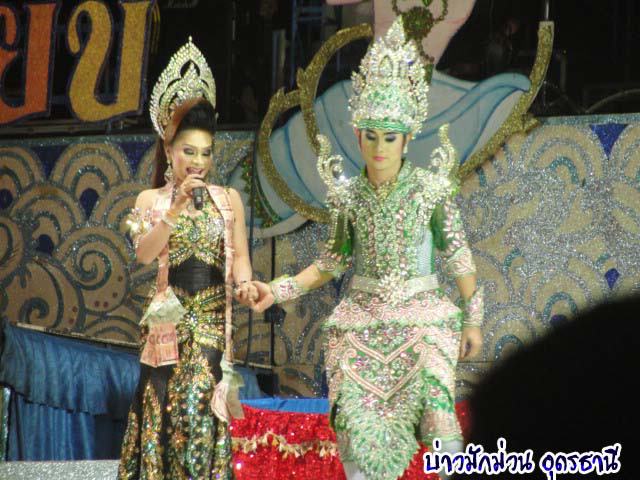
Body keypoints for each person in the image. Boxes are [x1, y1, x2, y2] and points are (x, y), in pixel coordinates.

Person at [251, 18, 483, 480]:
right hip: (360, 321)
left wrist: (472, 319)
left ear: (407, 138)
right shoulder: (348, 197)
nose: (380, 148)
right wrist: (276, 291)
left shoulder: (431, 191)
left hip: (423, 319)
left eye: (390, 137)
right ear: (357, 136)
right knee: (353, 422)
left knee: (438, 415)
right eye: (371, 136)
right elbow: (331, 262)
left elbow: (459, 257)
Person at [117, 38, 256, 480]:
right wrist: (174, 210)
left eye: (206, 152)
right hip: (167, 325)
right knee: (162, 411)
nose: (198, 161)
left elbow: (241, 261)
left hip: (212, 323)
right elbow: (143, 255)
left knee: (199, 408)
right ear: (168, 148)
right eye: (188, 151)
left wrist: (247, 286)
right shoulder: (150, 200)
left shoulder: (228, 199)